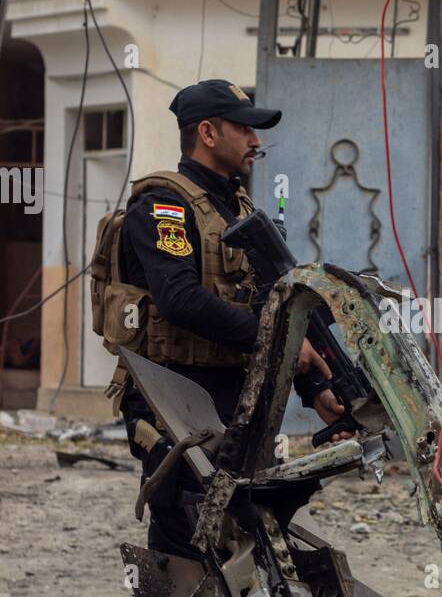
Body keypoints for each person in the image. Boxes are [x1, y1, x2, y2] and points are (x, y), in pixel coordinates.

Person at [109, 78, 349, 556]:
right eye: (245, 130)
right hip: (173, 398)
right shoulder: (164, 207)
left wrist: (317, 391)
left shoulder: (238, 209)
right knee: (188, 537)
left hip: (230, 400)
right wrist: (279, 344)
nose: (256, 142)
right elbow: (180, 300)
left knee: (240, 538)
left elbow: (270, 305)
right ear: (208, 133)